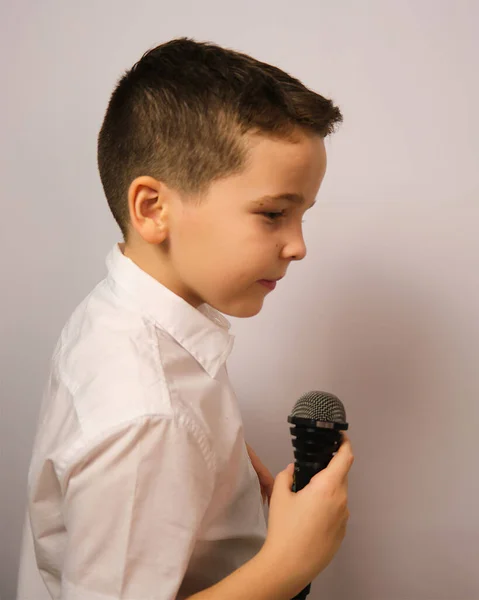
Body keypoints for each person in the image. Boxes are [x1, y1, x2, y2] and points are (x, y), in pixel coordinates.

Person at [17, 37, 354, 600]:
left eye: (302, 215)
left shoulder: (124, 317)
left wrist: (232, 492)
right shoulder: (148, 413)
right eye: (273, 213)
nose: (297, 246)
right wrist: (288, 565)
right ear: (153, 209)